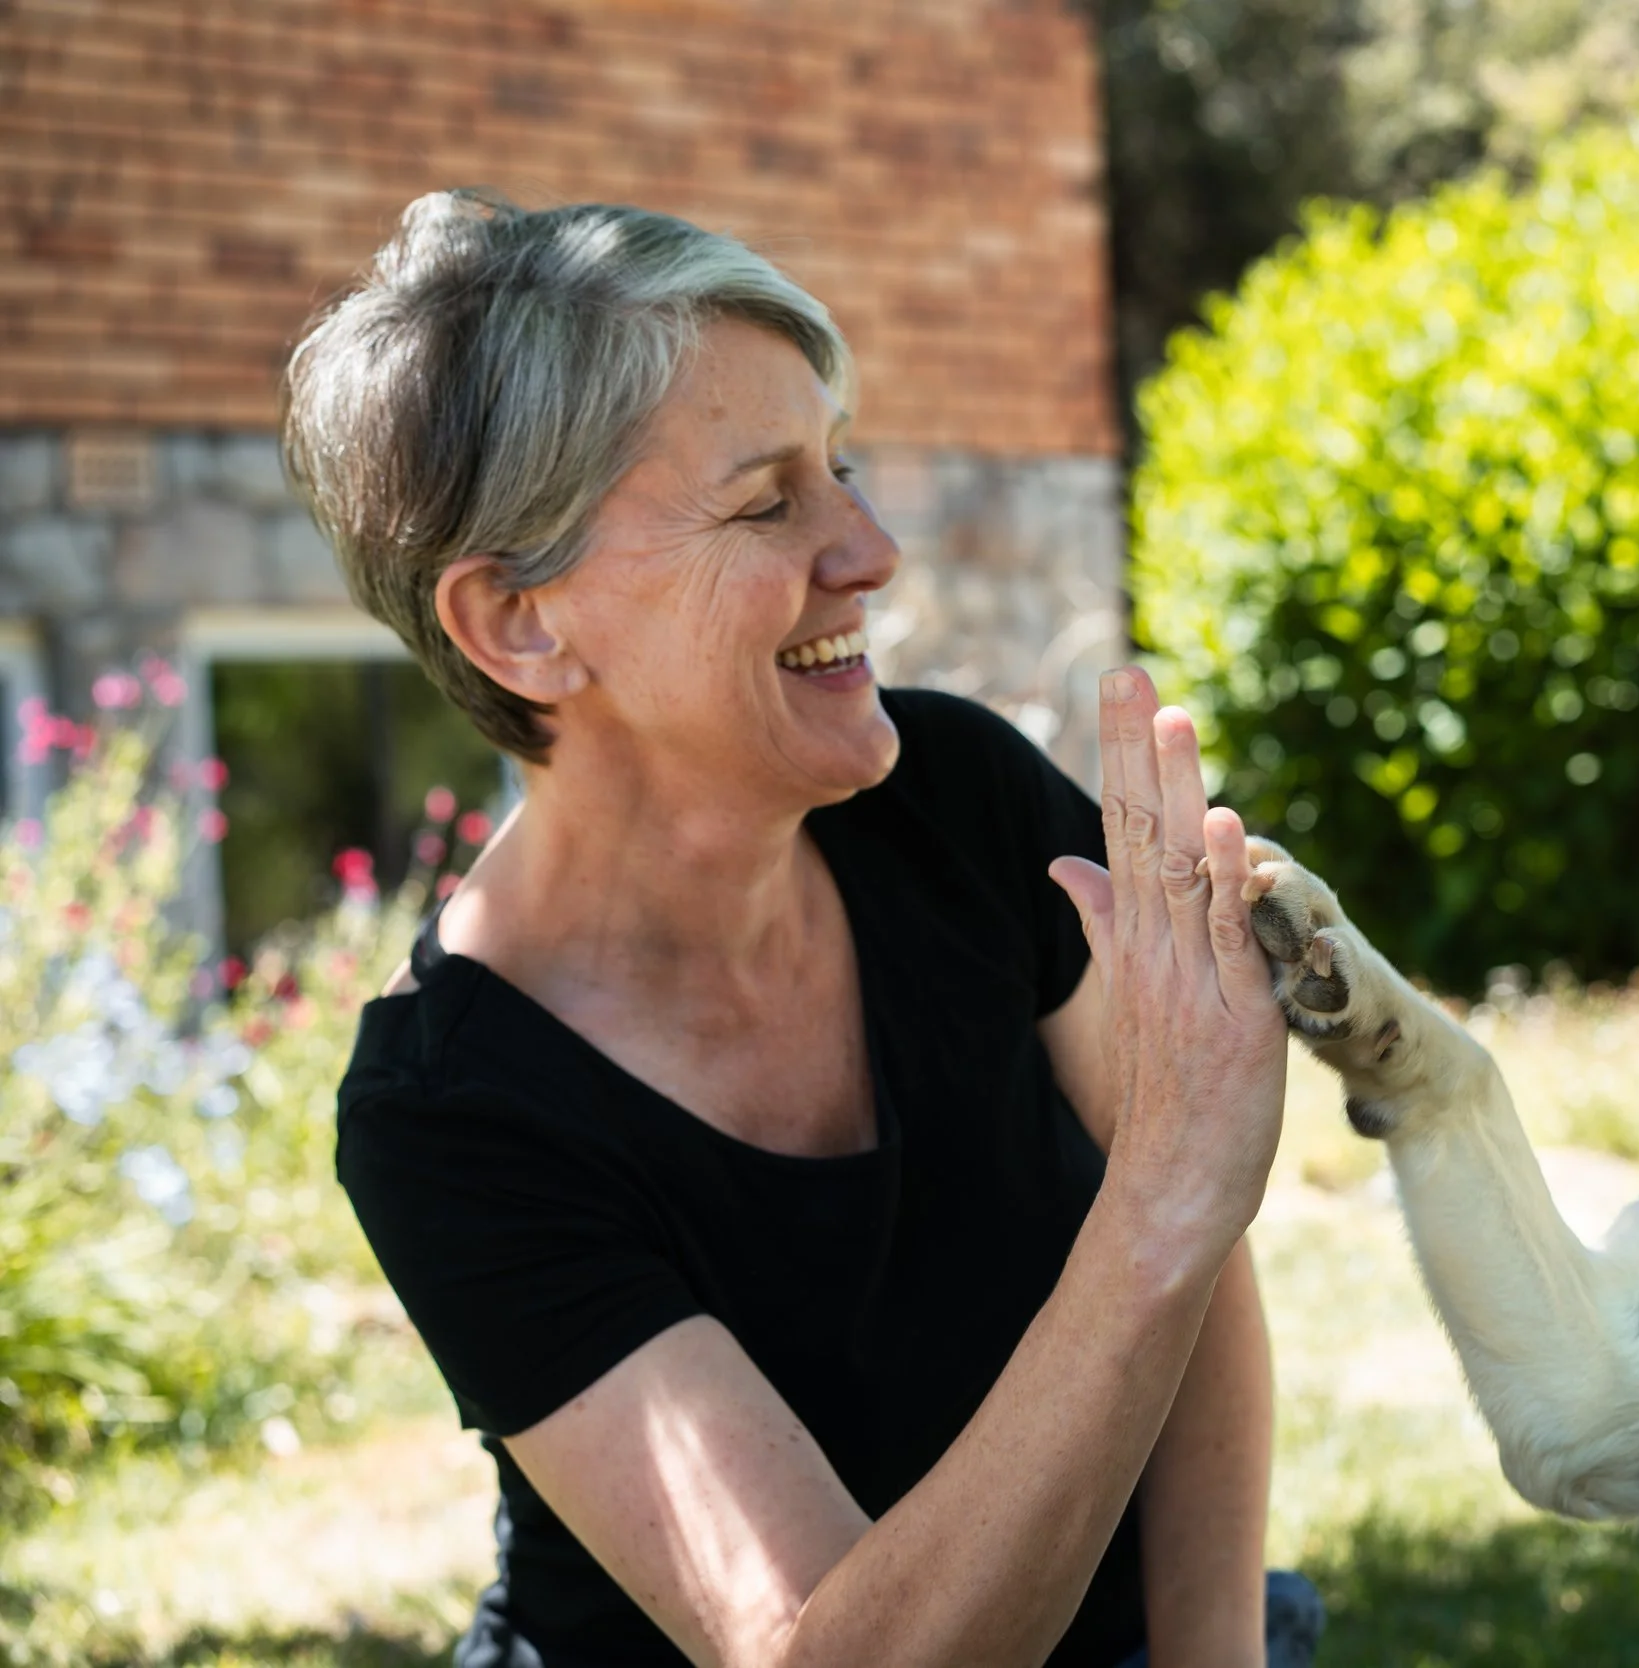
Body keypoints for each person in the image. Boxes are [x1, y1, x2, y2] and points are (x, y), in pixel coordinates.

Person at [290, 190, 1318, 1668]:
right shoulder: (452, 1111)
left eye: (841, 467)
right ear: (520, 624)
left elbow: (1200, 1278)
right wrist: (1158, 1203)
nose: (873, 550)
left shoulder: (959, 801)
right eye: (768, 500)